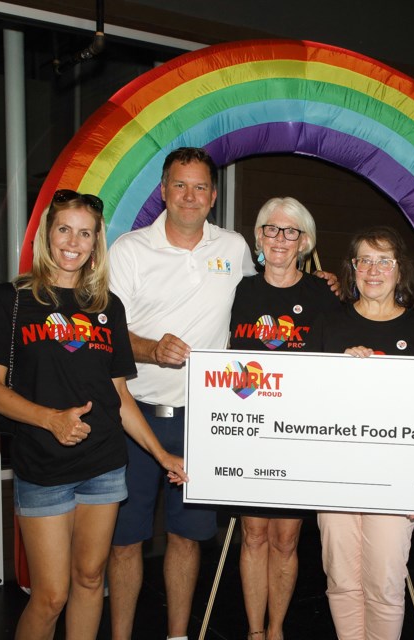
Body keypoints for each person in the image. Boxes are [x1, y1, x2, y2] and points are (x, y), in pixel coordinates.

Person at [0, 190, 187, 640]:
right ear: (48, 235)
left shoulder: (106, 307)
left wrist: (161, 454)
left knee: (91, 581)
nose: (73, 241)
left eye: (84, 233)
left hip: (104, 466)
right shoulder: (11, 300)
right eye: (64, 228)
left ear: (95, 242)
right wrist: (51, 419)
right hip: (43, 465)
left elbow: (119, 396)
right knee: (50, 595)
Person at [105, 147, 256, 640]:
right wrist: (150, 349)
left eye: (199, 187)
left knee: (188, 538)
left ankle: (177, 635)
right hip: (136, 417)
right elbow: (106, 333)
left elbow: (259, 309)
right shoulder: (129, 250)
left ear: (212, 196)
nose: (189, 196)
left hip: (204, 421)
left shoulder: (233, 248)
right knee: (125, 541)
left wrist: (320, 286)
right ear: (164, 190)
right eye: (179, 185)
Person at [308, 226, 414, 640]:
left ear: (399, 270)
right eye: (364, 260)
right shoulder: (328, 327)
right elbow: (308, 403)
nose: (373, 269)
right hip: (336, 475)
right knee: (342, 579)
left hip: (395, 479)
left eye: (384, 260)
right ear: (352, 268)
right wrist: (338, 369)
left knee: (384, 582)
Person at [227, 196, 341, 640]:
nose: (279, 238)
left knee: (287, 540)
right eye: (270, 229)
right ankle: (255, 632)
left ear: (304, 241)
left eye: (290, 231)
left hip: (298, 435)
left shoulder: (322, 295)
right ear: (258, 237)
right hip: (248, 430)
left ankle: (276, 630)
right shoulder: (239, 291)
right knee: (253, 535)